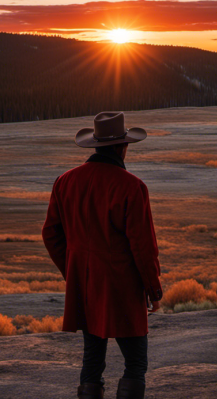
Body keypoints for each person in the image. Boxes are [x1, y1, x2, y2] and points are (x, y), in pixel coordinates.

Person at [42, 112, 163, 399]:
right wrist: (153, 291)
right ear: (123, 147)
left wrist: (75, 270)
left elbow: (51, 234)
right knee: (136, 363)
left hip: (86, 287)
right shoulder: (132, 186)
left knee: (92, 362)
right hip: (122, 288)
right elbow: (143, 247)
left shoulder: (65, 181)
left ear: (95, 146)